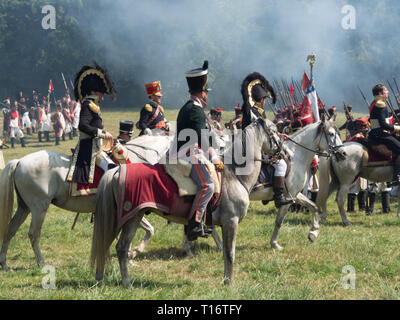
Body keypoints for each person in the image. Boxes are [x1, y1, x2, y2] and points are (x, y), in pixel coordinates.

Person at [175, 60, 224, 241]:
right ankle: (194, 224)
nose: (207, 95)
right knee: (208, 185)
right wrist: (215, 158)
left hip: (187, 151)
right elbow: (202, 140)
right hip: (189, 154)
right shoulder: (195, 111)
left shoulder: (190, 108)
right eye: (206, 92)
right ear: (202, 92)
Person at [241, 72, 293, 208]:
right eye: (264, 99)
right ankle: (278, 195)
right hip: (253, 146)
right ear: (261, 99)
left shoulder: (256, 111)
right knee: (281, 164)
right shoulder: (253, 111)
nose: (265, 102)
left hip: (257, 143)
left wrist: (279, 135)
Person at [67, 62, 117, 185]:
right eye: (101, 93)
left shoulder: (93, 106)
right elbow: (83, 126)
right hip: (89, 148)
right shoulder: (87, 105)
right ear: (94, 92)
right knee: (111, 168)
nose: (103, 96)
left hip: (96, 146)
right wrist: (102, 133)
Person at [368, 83, 400, 185]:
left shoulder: (375, 102)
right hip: (380, 135)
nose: (388, 92)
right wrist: (397, 128)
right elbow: (383, 124)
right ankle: (396, 177)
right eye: (386, 90)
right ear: (381, 93)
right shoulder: (380, 104)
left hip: (377, 133)